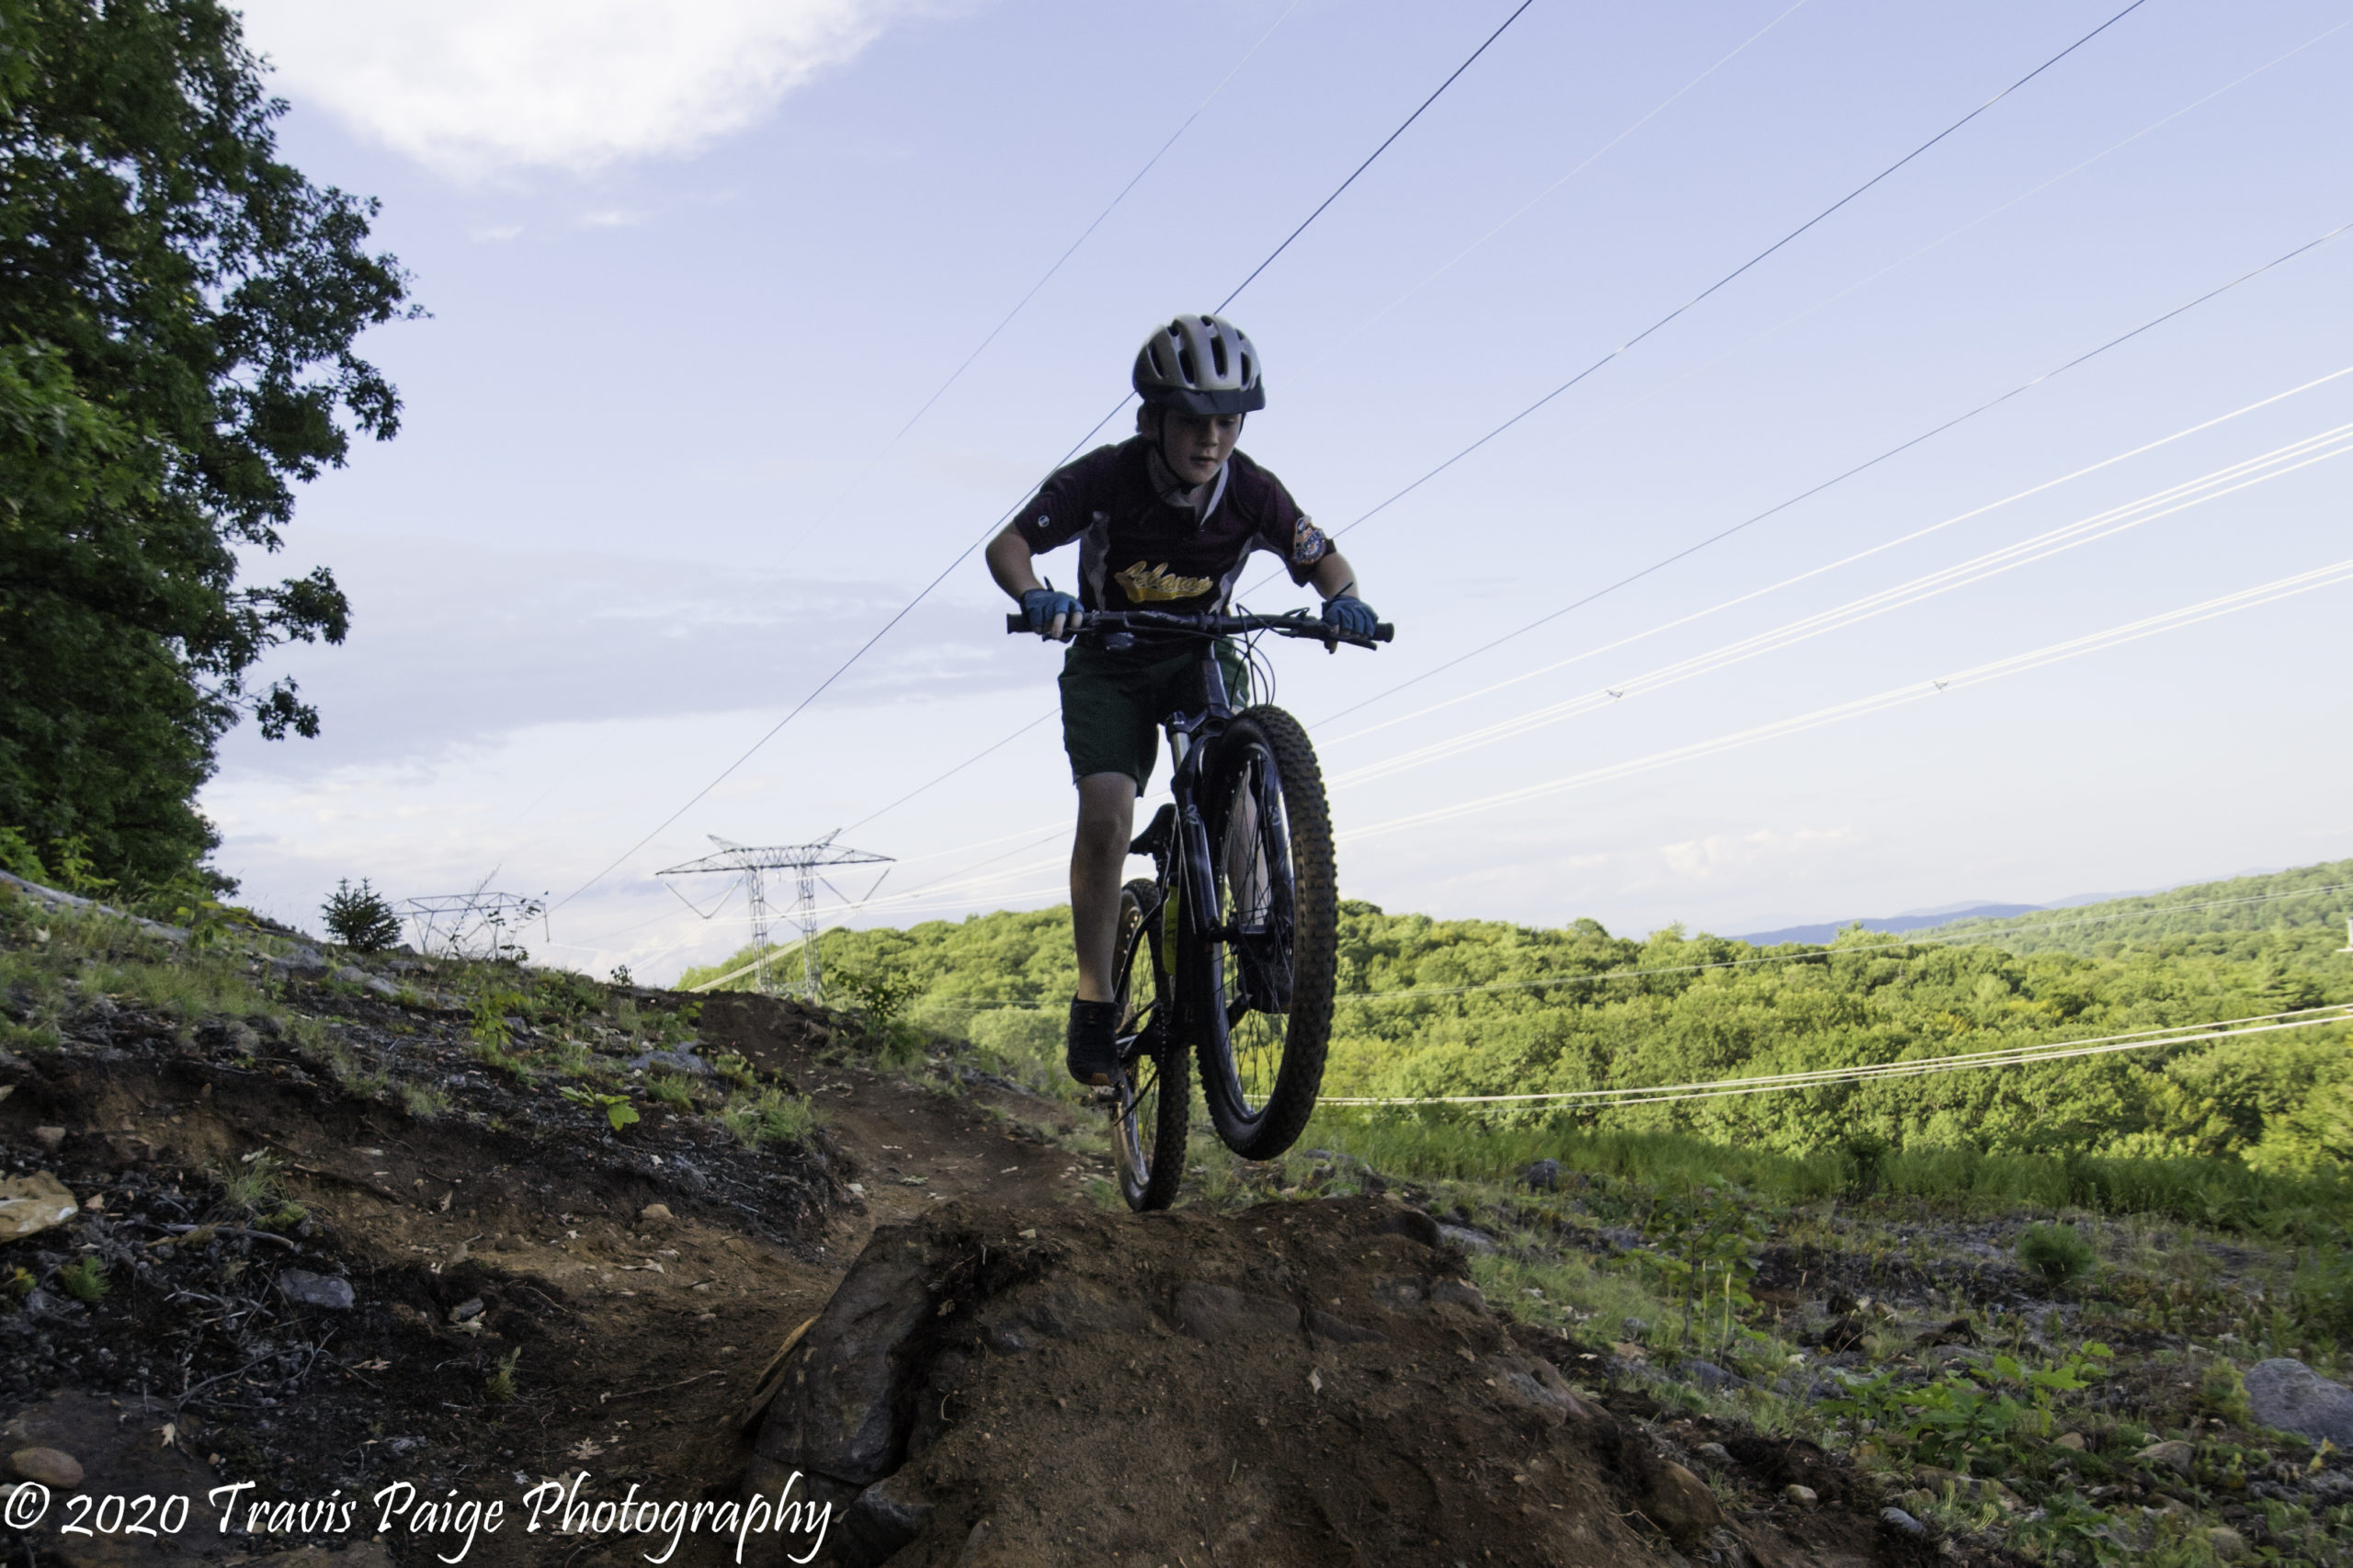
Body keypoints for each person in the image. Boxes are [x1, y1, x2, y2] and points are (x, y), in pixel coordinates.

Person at [984, 313, 1379, 1086]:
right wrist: (1035, 594)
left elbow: (1322, 559)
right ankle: (1094, 999)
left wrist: (1348, 600)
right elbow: (1008, 545)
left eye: (1228, 422)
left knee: (1233, 794)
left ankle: (1263, 939)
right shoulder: (1105, 477)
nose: (1211, 440)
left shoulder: (1253, 491)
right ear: (1150, 421)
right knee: (1106, 814)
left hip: (1200, 651)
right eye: (1194, 422)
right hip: (1111, 658)